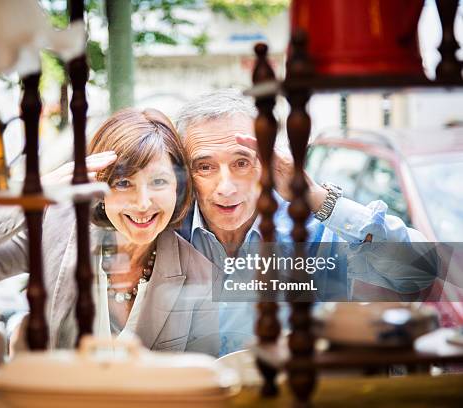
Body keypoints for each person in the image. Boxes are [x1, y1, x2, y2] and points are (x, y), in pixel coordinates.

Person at [0, 108, 219, 355]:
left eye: (158, 182)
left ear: (178, 188)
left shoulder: (200, 273)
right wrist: (31, 197)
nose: (143, 204)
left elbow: (200, 383)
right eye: (124, 183)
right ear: (99, 187)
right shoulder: (57, 229)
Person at [174, 89, 437, 356]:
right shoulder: (167, 233)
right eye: (205, 167)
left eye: (242, 163)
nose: (226, 188)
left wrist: (316, 197)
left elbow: (420, 270)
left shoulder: (311, 228)